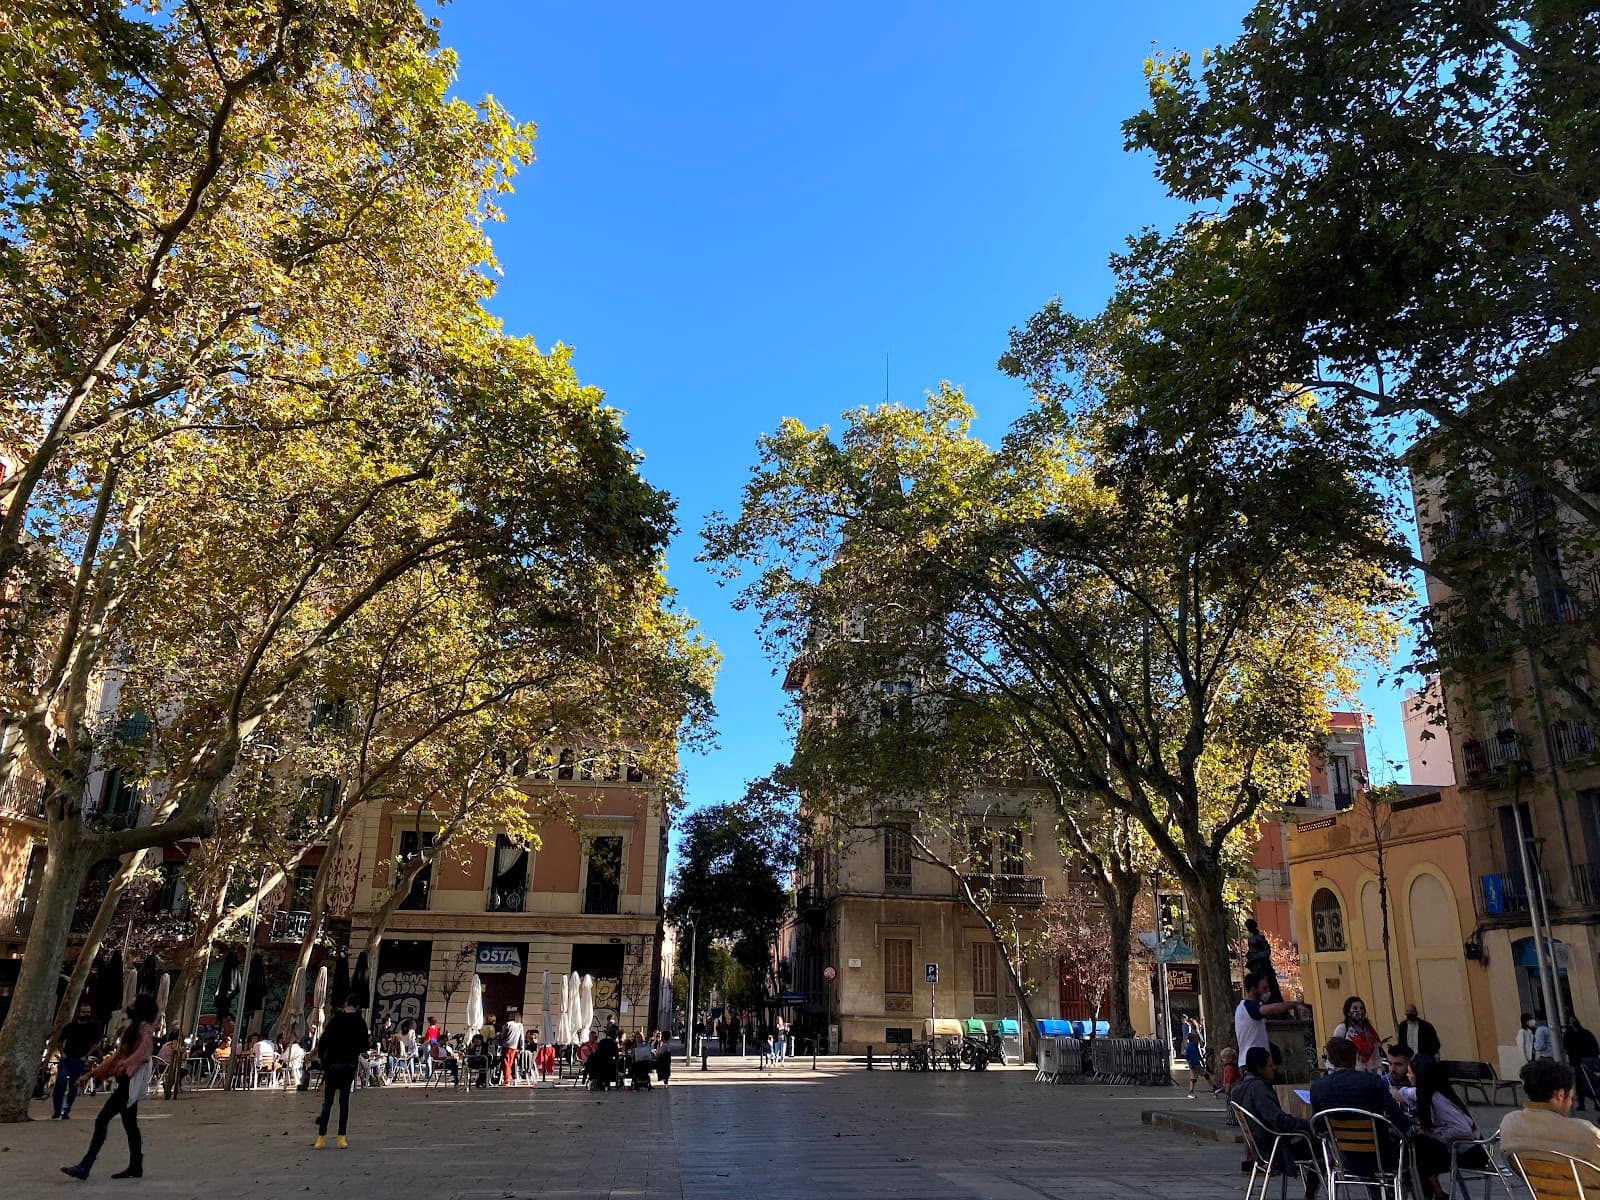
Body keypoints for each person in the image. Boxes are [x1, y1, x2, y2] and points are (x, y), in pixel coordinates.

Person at [60, 994, 158, 1182]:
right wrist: (91, 1075)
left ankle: (86, 1165)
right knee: (130, 1126)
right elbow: (115, 1058)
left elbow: (145, 1049)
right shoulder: (134, 1027)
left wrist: (129, 1062)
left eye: (135, 1000)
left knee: (103, 1120)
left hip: (128, 1083)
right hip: (126, 1082)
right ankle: (135, 1166)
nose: (130, 1002)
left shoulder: (143, 1028)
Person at [1498, 1059, 1600, 1198]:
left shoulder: (1510, 1123)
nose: (1571, 1102)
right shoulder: (1584, 1131)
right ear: (1560, 1095)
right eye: (1571, 1097)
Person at [1230, 1045, 1320, 1199]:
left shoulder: (1242, 1087)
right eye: (1270, 1066)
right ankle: (1310, 1195)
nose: (1274, 1069)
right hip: (1274, 1148)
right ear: (1260, 1068)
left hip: (1261, 1145)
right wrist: (1306, 1123)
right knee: (1319, 1144)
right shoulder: (1258, 1089)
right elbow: (1278, 1121)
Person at [1401, 1061, 1486, 1200]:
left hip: (1470, 1152)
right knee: (1418, 1152)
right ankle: (1437, 1192)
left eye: (1410, 1073)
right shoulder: (1429, 1093)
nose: (1408, 1076)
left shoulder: (1437, 1098)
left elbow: (1463, 1130)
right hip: (1455, 1149)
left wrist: (1434, 1133)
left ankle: (1437, 1193)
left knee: (1419, 1152)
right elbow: (1410, 1093)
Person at [1311, 1037, 1413, 1130]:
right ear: (1355, 1059)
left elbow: (1318, 1125)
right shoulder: (1373, 1081)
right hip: (1378, 1146)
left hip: (1337, 1147)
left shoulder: (1318, 1087)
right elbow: (1397, 1117)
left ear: (1330, 1060)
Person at [313, 995, 368, 1149]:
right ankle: (341, 1138)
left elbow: (323, 1041)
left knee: (328, 1102)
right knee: (344, 1102)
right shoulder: (360, 1022)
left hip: (332, 1064)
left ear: (346, 1004)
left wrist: (323, 1061)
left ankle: (320, 1138)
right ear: (357, 1006)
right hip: (349, 1065)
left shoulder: (335, 1020)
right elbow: (364, 1045)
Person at [1235, 972, 1303, 1063]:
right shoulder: (1250, 1006)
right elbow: (1271, 1009)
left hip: (1254, 1061)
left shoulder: (1244, 1008)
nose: (1267, 992)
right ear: (1253, 989)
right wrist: (1292, 1005)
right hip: (1254, 1063)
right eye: (1264, 988)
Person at [53, 1003, 103, 1121]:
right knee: (60, 1083)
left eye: (88, 1012)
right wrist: (63, 1054)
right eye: (84, 1012)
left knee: (73, 1086)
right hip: (67, 1059)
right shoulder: (69, 1026)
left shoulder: (92, 1028)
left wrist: (86, 1056)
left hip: (79, 1060)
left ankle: (66, 1110)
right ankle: (57, 1110)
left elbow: (96, 1044)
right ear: (78, 1013)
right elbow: (60, 1041)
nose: (86, 1015)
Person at [1332, 997, 1385, 1073]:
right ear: (1348, 1012)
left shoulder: (1370, 1030)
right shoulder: (1343, 1028)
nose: (1359, 1011)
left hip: (1370, 1073)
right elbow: (1335, 1052)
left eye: (1361, 1008)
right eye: (1355, 1008)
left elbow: (1376, 1054)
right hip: (1351, 1073)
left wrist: (1379, 1070)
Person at [1564, 1018, 1600, 1113]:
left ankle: (1582, 1104)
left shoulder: (1569, 1035)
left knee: (1582, 1083)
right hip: (1591, 1059)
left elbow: (1567, 1047)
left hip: (1579, 1061)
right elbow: (1595, 1046)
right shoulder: (1586, 1033)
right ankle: (1596, 1103)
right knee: (1593, 1082)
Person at [1244, 918, 1281, 1004]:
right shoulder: (1250, 939)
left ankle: (1275, 1002)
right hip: (1256, 967)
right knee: (1259, 985)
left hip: (1263, 966)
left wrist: (1255, 957)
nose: (1248, 929)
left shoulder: (1259, 938)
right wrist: (1249, 955)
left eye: (1249, 926)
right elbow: (1251, 950)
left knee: (1270, 985)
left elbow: (1267, 951)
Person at [1395, 1005, 1442, 1072]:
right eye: (1408, 1013)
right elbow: (1401, 1043)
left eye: (1411, 1013)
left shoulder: (1426, 1026)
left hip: (1423, 1060)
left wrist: (1429, 1058)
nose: (1410, 1016)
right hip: (1409, 1059)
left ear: (1416, 1013)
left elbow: (1436, 1044)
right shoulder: (1403, 1027)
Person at [1184, 1022, 1215, 1099]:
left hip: (1193, 1064)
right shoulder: (1194, 1046)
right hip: (1195, 1063)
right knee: (1200, 1076)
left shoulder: (1189, 1046)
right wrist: (1203, 1062)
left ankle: (1192, 1091)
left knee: (1197, 1076)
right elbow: (1198, 1054)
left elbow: (1187, 1056)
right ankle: (1212, 1087)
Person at [501, 1008, 525, 1086]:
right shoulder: (520, 1025)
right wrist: (522, 1046)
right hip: (514, 1047)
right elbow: (522, 1038)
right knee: (510, 1063)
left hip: (506, 1045)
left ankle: (507, 1080)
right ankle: (509, 1077)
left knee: (506, 1063)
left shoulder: (508, 1024)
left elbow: (502, 1036)